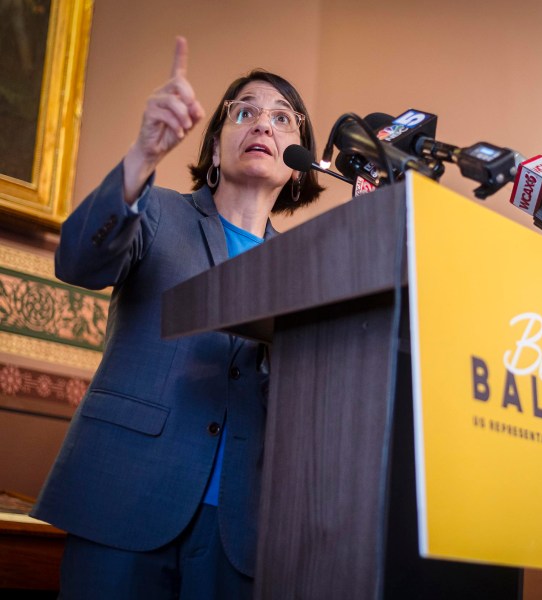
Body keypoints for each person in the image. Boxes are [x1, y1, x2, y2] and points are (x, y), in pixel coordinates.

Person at [32, 37, 323, 599]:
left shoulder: (305, 268)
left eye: (283, 118)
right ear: (215, 149)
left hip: (237, 530)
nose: (263, 124)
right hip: (124, 497)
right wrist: (143, 154)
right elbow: (78, 261)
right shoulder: (157, 212)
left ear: (297, 164)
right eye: (245, 112)